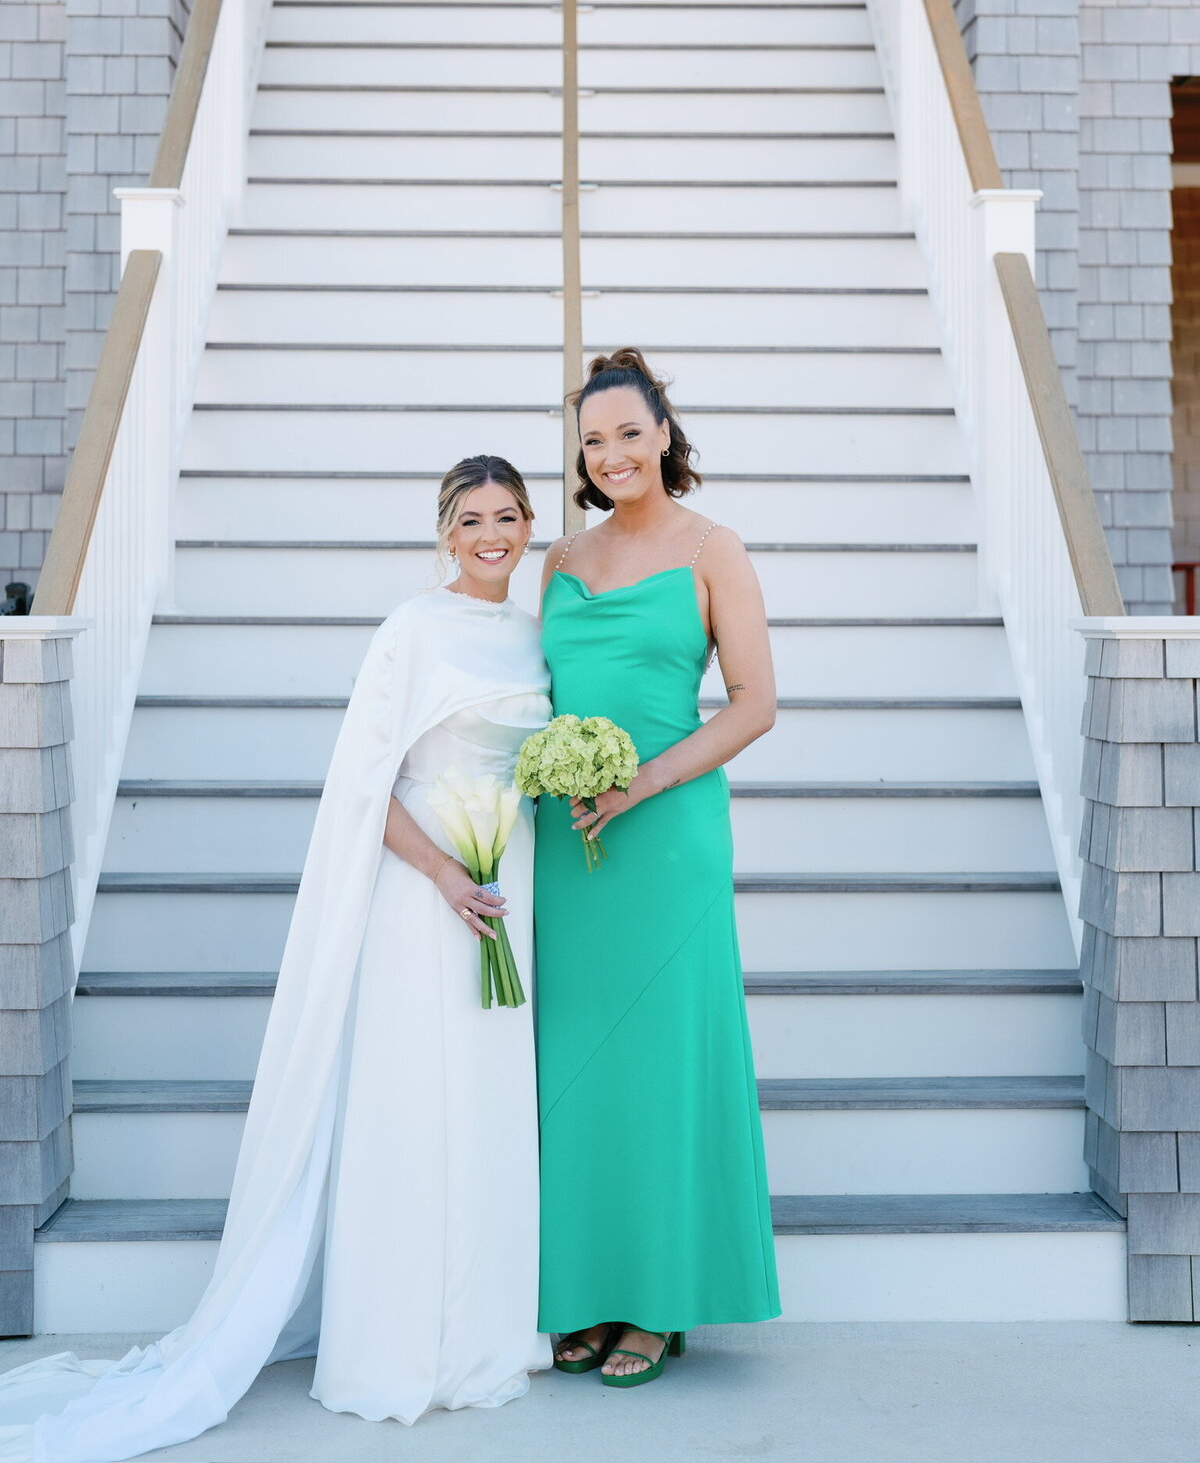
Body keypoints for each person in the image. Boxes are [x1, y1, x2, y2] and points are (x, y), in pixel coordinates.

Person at [0, 457, 550, 1461]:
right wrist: (443, 873)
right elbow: (363, 785)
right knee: (414, 1107)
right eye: (471, 518)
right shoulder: (410, 629)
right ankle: (394, 1344)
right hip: (427, 893)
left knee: (488, 1102)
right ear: (445, 530)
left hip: (509, 883)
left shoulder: (534, 634)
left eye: (507, 516)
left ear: (529, 525)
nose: (491, 535)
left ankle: (484, 1333)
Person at [535, 349, 782, 1388]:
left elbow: (756, 704)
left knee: (662, 1063)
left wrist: (642, 783)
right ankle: (584, 1288)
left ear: (665, 436)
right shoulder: (557, 558)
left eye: (629, 433)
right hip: (565, 843)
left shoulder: (715, 549)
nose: (612, 454)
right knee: (575, 1066)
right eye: (594, 441)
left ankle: (658, 1302)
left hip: (668, 834)